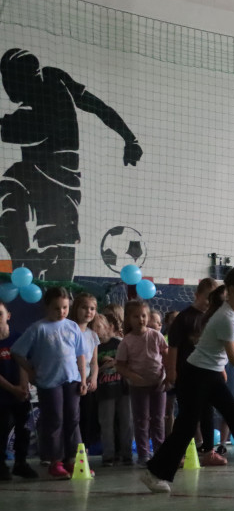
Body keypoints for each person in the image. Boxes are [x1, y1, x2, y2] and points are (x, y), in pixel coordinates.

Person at [141, 265, 234, 492]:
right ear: (232, 290)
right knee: (187, 426)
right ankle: (155, 473)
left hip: (208, 374)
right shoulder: (226, 318)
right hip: (197, 375)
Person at [0, 48, 142, 280]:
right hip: (51, 181)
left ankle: (27, 255)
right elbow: (97, 106)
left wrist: (129, 138)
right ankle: (22, 251)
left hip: (56, 183)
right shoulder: (55, 77)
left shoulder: (41, 103)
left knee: (59, 254)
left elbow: (31, 130)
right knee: (13, 182)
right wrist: (129, 137)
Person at [11, 286, 87, 478]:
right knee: (55, 421)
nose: (61, 312)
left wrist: (83, 378)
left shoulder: (72, 326)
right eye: (56, 308)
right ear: (47, 307)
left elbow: (80, 354)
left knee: (72, 419)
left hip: (71, 380)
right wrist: (30, 370)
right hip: (49, 382)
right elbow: (17, 351)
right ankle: (55, 461)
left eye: (65, 308)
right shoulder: (38, 328)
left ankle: (71, 460)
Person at [165, 278, 223, 464]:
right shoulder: (184, 318)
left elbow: (218, 348)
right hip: (186, 374)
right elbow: (172, 347)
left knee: (207, 412)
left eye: (214, 299)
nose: (210, 302)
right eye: (207, 297)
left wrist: (220, 369)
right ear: (197, 295)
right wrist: (172, 371)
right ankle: (177, 453)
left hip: (208, 373)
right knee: (186, 415)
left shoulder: (215, 318)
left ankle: (209, 452)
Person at [116, 300, 168, 465]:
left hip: (158, 384)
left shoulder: (155, 335)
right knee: (141, 420)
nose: (141, 319)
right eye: (136, 316)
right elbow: (120, 366)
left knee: (158, 419)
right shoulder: (127, 341)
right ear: (129, 319)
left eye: (144, 316)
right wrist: (132, 376)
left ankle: (160, 452)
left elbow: (166, 355)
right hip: (138, 387)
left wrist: (167, 375)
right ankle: (144, 454)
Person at [0, 300, 36, 479]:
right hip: (3, 394)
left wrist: (23, 386)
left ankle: (20, 463)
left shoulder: (18, 337)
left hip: (20, 393)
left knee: (24, 427)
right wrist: (13, 389)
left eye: (0, 313)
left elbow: (24, 363)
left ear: (8, 316)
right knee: (2, 428)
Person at [92, 314, 132, 466]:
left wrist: (115, 363)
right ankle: (108, 454)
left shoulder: (119, 343)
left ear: (109, 328)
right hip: (105, 391)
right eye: (93, 327)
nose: (96, 330)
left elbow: (129, 361)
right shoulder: (94, 347)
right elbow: (91, 368)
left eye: (99, 326)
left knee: (126, 421)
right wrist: (103, 367)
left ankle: (126, 453)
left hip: (123, 388)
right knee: (106, 423)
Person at [70, 293, 100, 447]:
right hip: (71, 380)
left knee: (86, 416)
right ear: (76, 309)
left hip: (87, 383)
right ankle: (67, 451)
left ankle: (84, 448)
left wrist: (93, 378)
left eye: (92, 308)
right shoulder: (68, 330)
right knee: (70, 417)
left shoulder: (93, 335)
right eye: (84, 307)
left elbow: (94, 362)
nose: (88, 311)